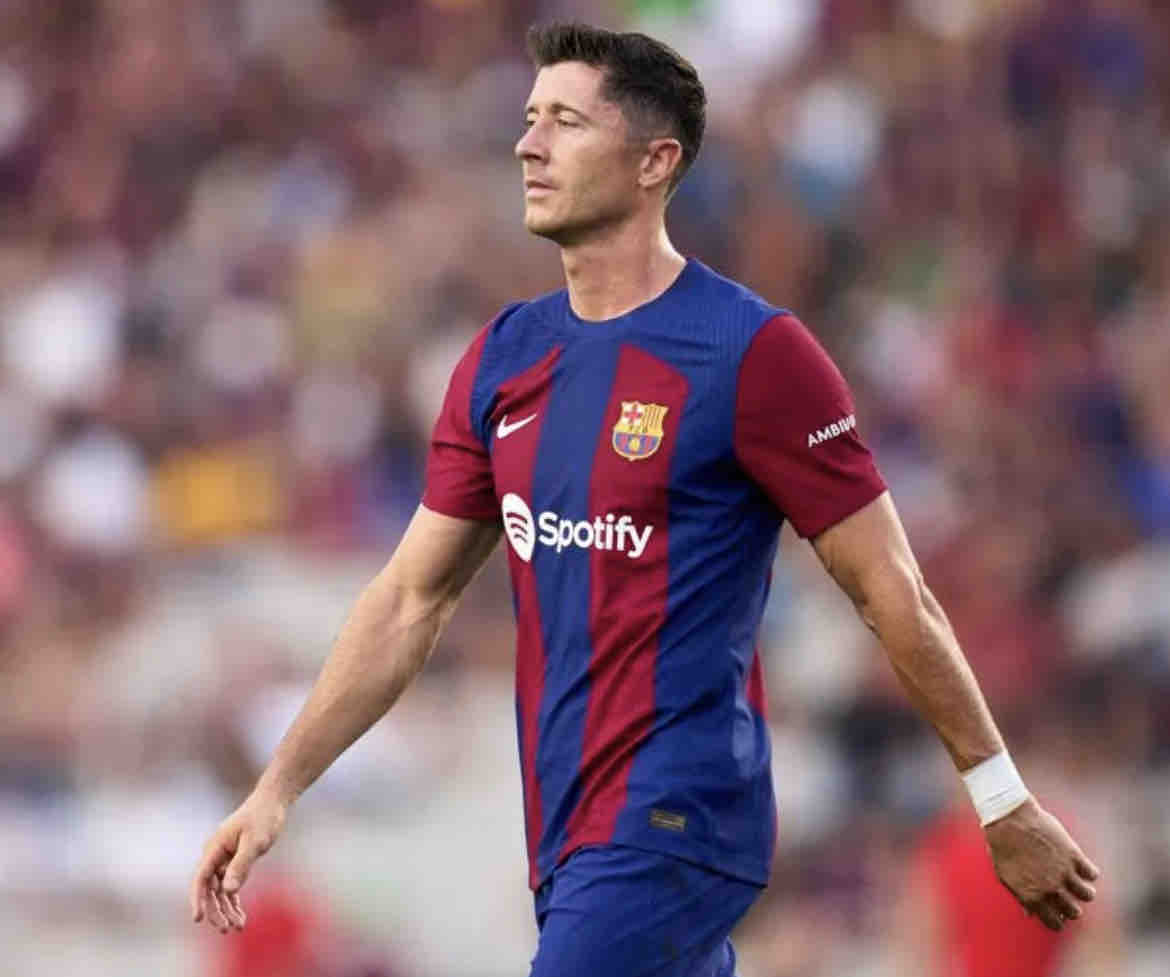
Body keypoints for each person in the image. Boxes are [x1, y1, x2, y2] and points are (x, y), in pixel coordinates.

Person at [190, 23, 1100, 976]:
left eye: (566, 122)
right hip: (566, 832)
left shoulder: (753, 354)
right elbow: (409, 600)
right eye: (530, 119)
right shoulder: (504, 359)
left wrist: (1000, 796)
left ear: (654, 162)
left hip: (678, 817)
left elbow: (891, 589)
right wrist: (277, 788)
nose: (528, 144)